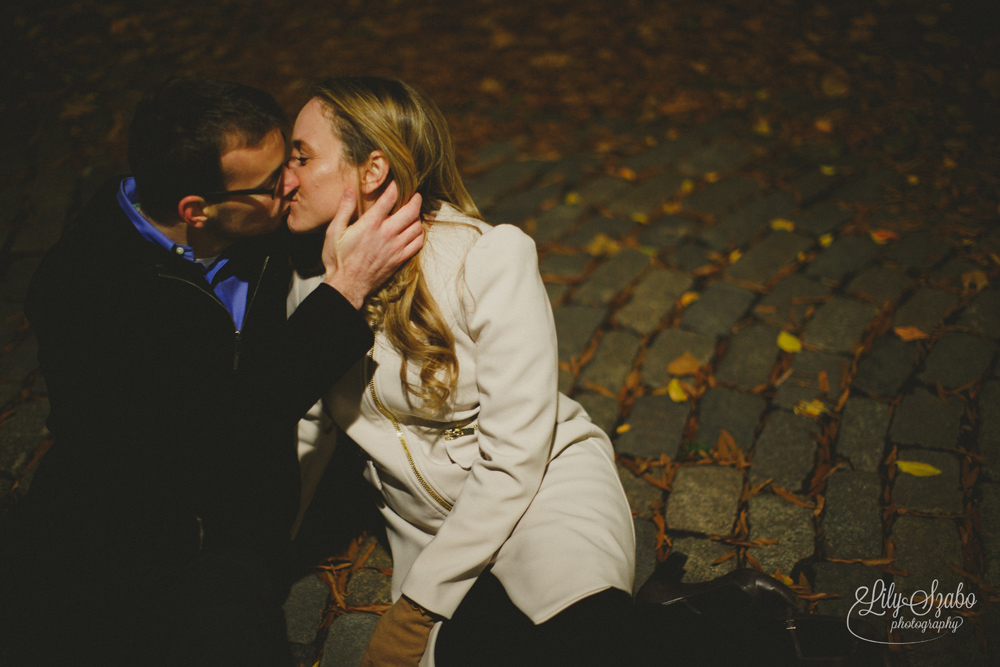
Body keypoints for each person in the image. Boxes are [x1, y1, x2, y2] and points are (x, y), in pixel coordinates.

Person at [0, 76, 423, 667]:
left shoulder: (264, 224)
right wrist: (345, 289)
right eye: (274, 181)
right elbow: (224, 424)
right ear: (195, 211)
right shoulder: (83, 292)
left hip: (234, 538)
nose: (292, 184)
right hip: (128, 532)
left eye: (291, 162)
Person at [284, 76, 637, 667]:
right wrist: (255, 556)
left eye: (303, 156)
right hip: (428, 531)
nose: (285, 176)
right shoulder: (306, 288)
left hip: (542, 495)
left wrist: (419, 607)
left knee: (581, 639)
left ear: (372, 171)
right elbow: (306, 429)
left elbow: (515, 459)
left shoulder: (487, 258)